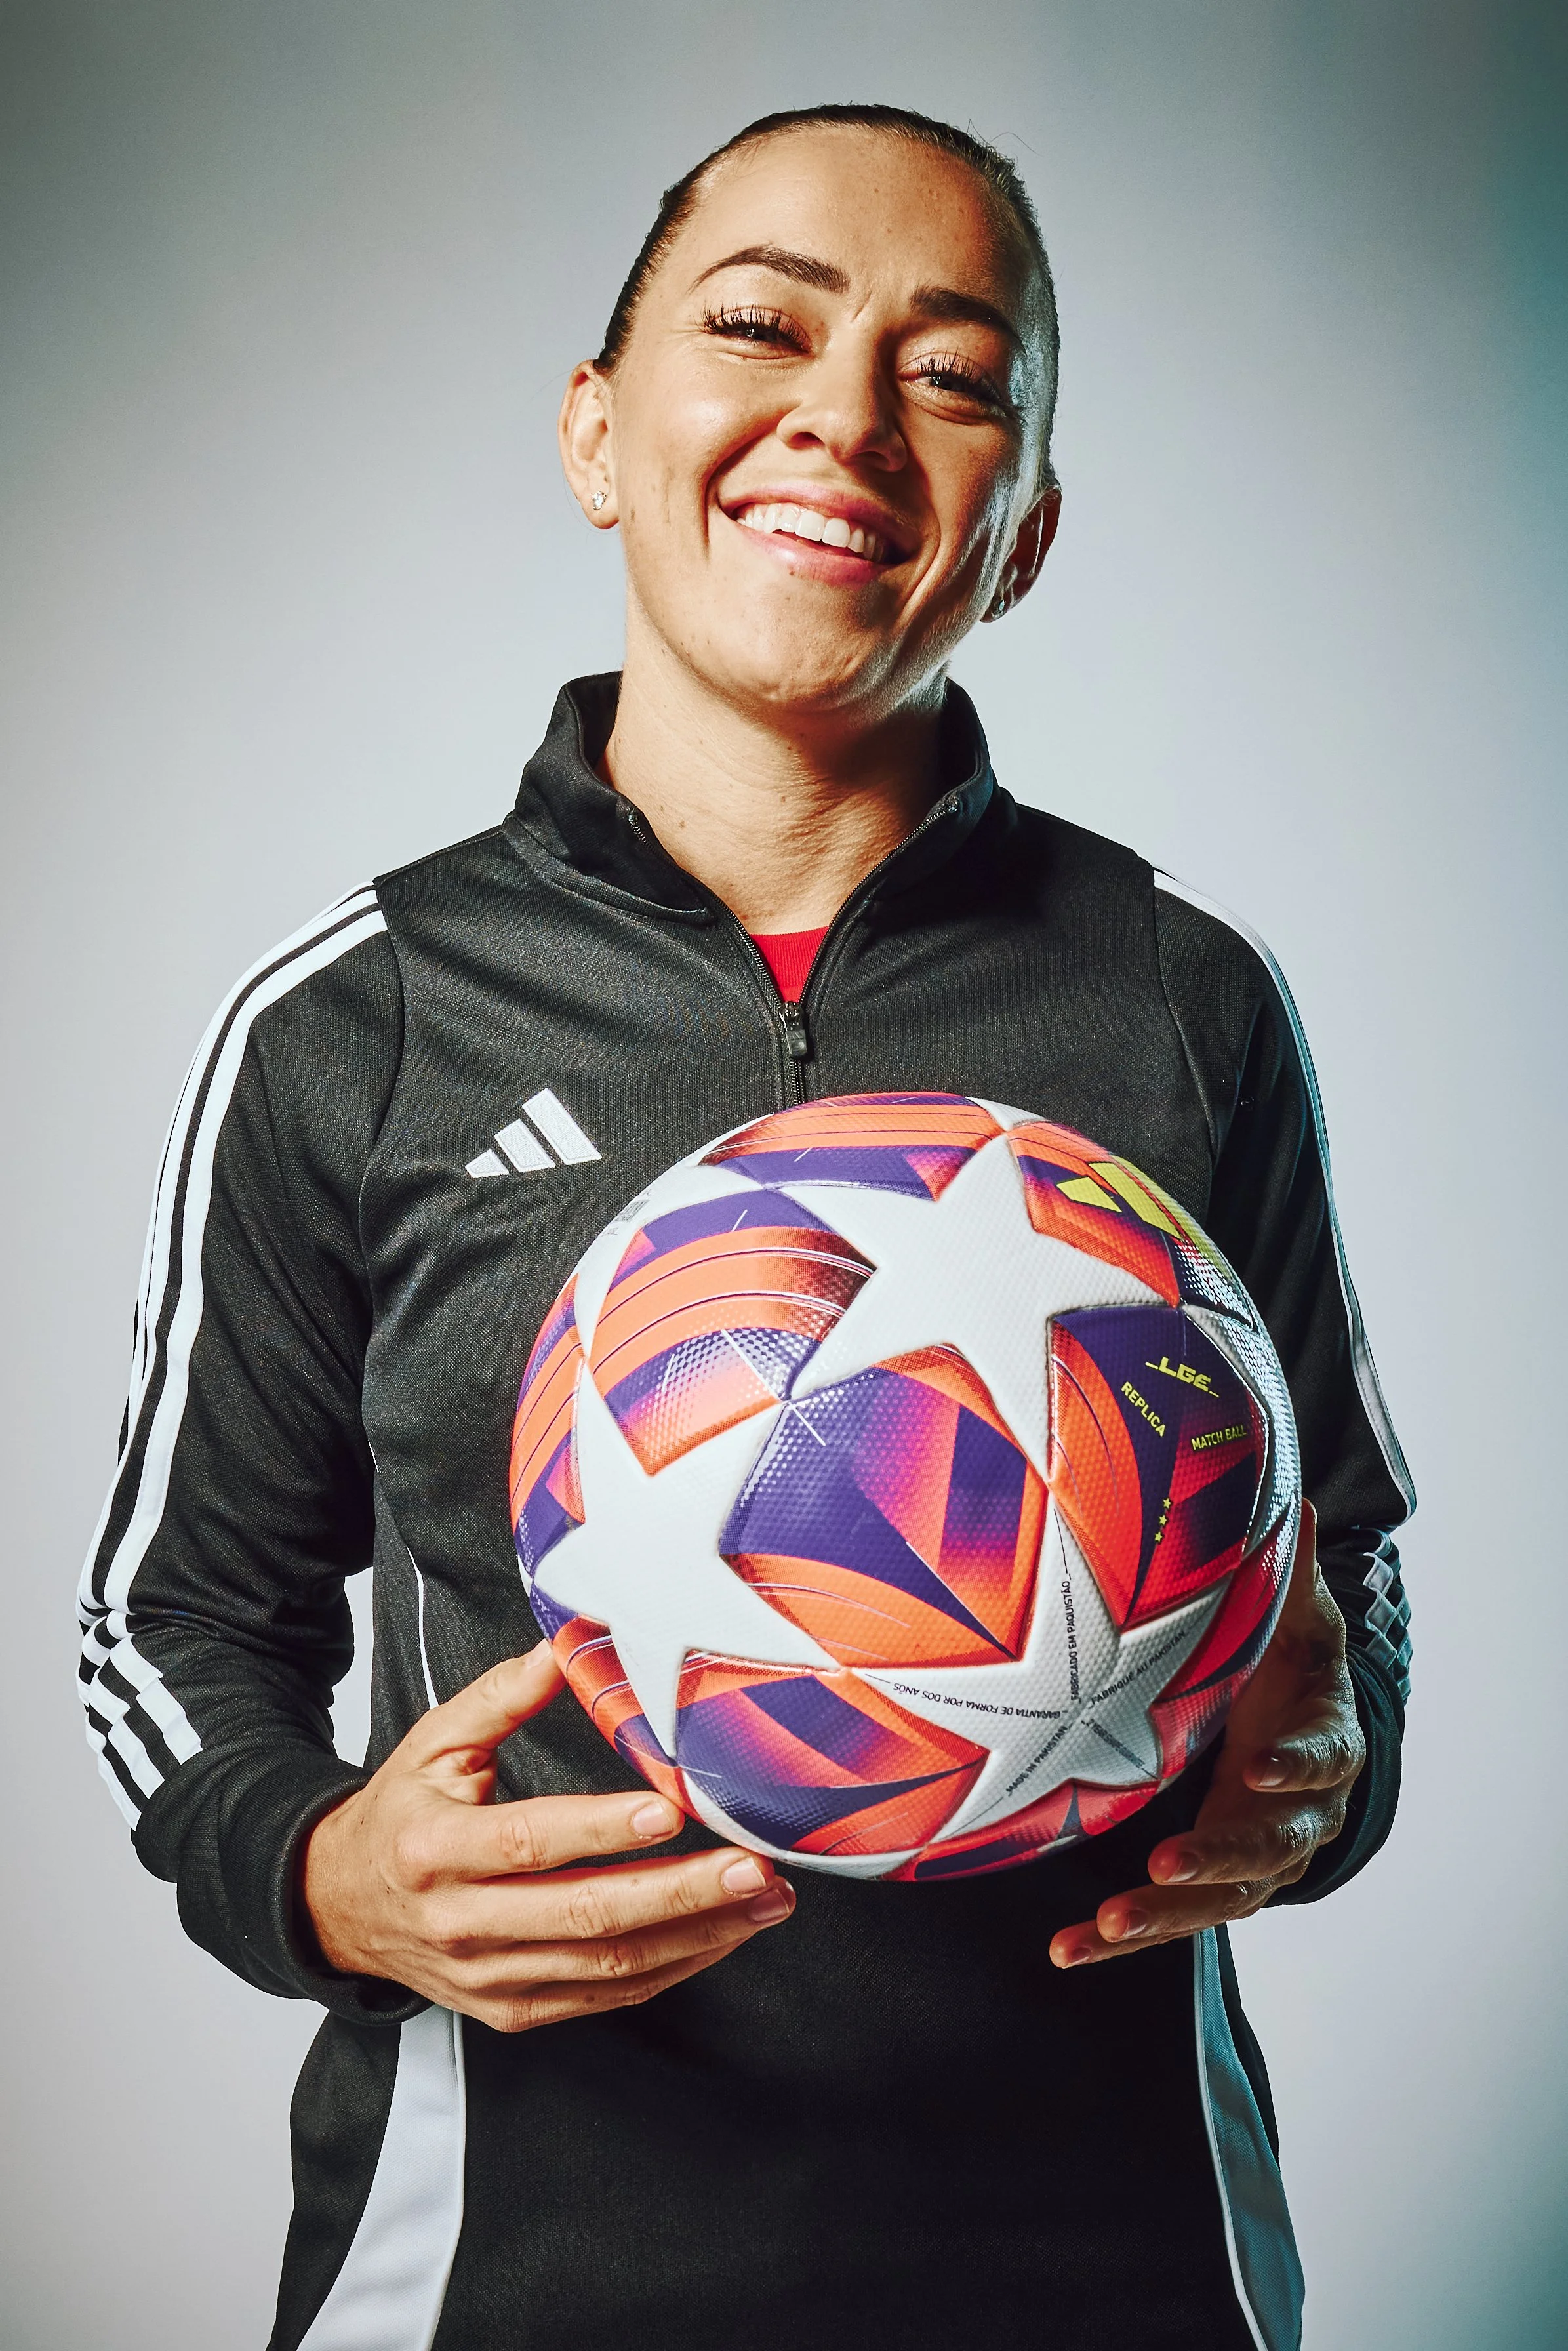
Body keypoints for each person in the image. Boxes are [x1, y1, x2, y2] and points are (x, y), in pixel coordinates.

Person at [79, 104, 1413, 2351]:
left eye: (956, 374)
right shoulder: (360, 1021)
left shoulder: (1178, 1000)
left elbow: (1341, 1563)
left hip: (1113, 2266)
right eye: (760, 323)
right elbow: (168, 1618)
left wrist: (1323, 1760)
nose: (845, 415)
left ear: (1023, 535)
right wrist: (321, 1872)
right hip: (509, 2268)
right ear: (600, 434)